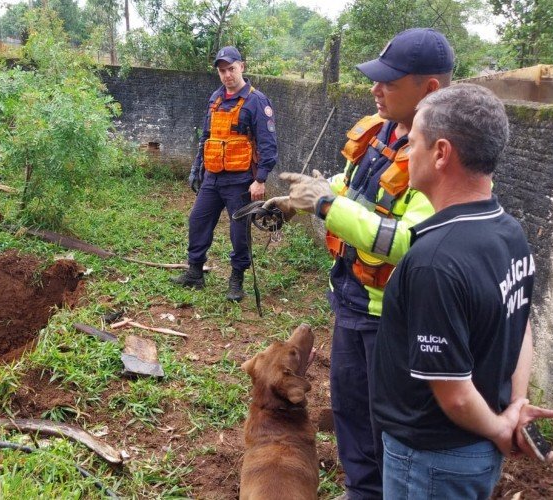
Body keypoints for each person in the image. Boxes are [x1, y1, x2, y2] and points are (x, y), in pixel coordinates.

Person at [265, 28, 453, 498]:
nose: (375, 89)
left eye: (388, 81)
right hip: (351, 299)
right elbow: (352, 187)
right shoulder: (383, 131)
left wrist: (326, 206)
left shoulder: (444, 152)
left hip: (394, 318)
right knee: (350, 408)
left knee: (389, 420)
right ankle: (362, 489)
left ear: (429, 89)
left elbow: (409, 240)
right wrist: (302, 200)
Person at [370, 83, 553, 498]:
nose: (404, 144)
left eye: (413, 139)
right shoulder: (509, 231)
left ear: (441, 153)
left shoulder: (434, 262)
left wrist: (500, 430)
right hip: (476, 447)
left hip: (431, 460)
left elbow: (454, 394)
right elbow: (520, 322)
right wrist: (515, 405)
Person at [170, 46, 278, 302]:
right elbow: (207, 137)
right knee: (198, 220)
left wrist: (260, 179)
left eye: (231, 68)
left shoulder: (257, 101)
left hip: (240, 181)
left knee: (239, 232)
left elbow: (268, 145)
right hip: (213, 177)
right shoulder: (215, 98)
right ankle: (195, 273)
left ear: (242, 66)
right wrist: (198, 167)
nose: (227, 75)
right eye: (222, 70)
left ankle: (236, 279)